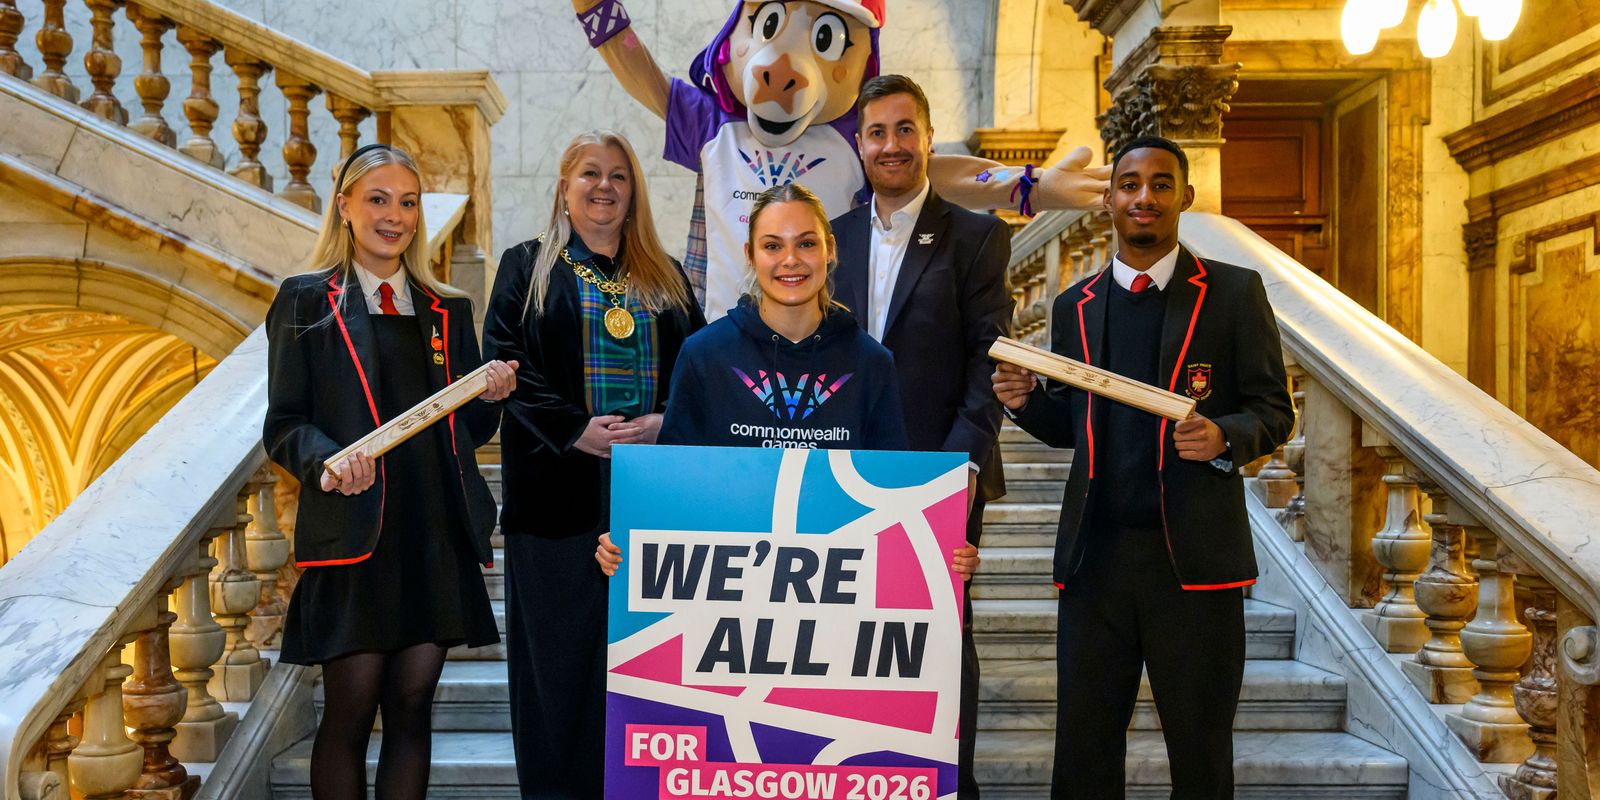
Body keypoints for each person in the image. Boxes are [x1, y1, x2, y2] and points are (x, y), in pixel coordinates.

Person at [991, 135, 1294, 799]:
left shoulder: (1233, 293)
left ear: (1184, 196)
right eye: (1130, 184)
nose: (1144, 197)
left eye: (1161, 184)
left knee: (1201, 750)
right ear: (1108, 199)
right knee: (1084, 751)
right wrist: (1024, 404)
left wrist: (1224, 435)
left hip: (1193, 563)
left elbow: (1275, 412)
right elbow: (1070, 424)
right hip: (1094, 560)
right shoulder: (1075, 304)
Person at [263, 143, 515, 800]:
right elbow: (283, 424)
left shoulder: (445, 308)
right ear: (345, 206)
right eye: (378, 199)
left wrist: (488, 401)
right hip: (354, 536)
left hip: (432, 535)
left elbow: (467, 434)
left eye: (407, 202)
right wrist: (327, 460)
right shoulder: (304, 300)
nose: (394, 216)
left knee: (412, 712)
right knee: (349, 716)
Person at [481, 130, 705, 798]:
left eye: (618, 175)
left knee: (647, 679)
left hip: (651, 505)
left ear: (634, 191)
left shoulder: (667, 276)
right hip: (554, 505)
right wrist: (576, 431)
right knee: (558, 683)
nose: (604, 186)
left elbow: (700, 374)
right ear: (564, 187)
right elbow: (504, 365)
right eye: (589, 174)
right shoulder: (527, 268)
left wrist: (664, 422)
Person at [830, 73, 1011, 800]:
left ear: (929, 139)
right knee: (844, 642)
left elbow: (987, 363)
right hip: (836, 481)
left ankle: (944, 784)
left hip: (940, 476)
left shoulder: (975, 237)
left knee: (937, 641)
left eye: (905, 129)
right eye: (877, 132)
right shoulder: (829, 236)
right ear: (859, 144)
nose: (891, 145)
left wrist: (950, 477)